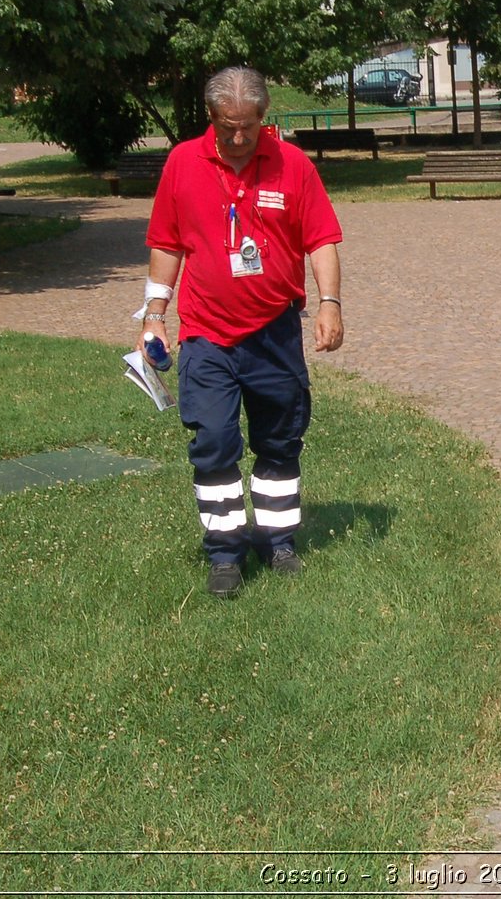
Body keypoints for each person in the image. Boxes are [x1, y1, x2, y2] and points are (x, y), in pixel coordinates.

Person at [138, 66, 345, 600]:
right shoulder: (184, 162)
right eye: (227, 126)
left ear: (263, 118)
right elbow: (166, 243)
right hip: (208, 335)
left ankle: (278, 539)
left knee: (280, 438)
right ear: (211, 117)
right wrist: (154, 314)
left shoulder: (292, 165)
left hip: (275, 332)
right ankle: (224, 552)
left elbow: (321, 239)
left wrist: (330, 303)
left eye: (247, 127)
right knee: (213, 440)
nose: (236, 138)